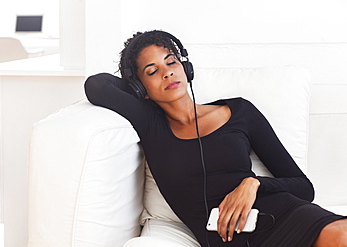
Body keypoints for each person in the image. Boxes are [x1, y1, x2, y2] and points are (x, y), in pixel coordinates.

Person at [84, 30, 347, 247]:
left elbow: (304, 188)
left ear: (186, 67)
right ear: (141, 88)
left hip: (289, 213)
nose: (167, 73)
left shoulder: (239, 111)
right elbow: (96, 85)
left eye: (171, 61)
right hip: (228, 237)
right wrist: (136, 88)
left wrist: (252, 184)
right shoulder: (150, 123)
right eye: (152, 71)